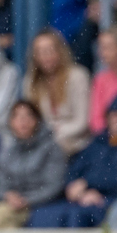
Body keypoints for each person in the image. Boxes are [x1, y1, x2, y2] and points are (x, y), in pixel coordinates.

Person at [30, 100, 117, 227]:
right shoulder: (97, 143)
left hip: (110, 200)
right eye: (113, 115)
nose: (116, 119)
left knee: (76, 217)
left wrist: (88, 183)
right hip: (81, 197)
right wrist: (73, 187)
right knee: (42, 214)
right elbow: (75, 168)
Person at [0, 99, 67, 228]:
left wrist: (26, 200)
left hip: (39, 205)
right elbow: (0, 185)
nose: (23, 121)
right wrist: (8, 196)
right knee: (8, 229)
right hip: (13, 205)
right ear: (11, 122)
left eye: (28, 115)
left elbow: (54, 186)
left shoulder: (51, 148)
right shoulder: (6, 151)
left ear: (37, 120)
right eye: (17, 116)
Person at [23, 29, 92, 157]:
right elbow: (31, 120)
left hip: (77, 146)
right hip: (43, 147)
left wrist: (54, 133)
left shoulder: (78, 76)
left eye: (50, 50)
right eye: (40, 52)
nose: (46, 56)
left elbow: (83, 121)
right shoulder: (30, 82)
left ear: (60, 51)